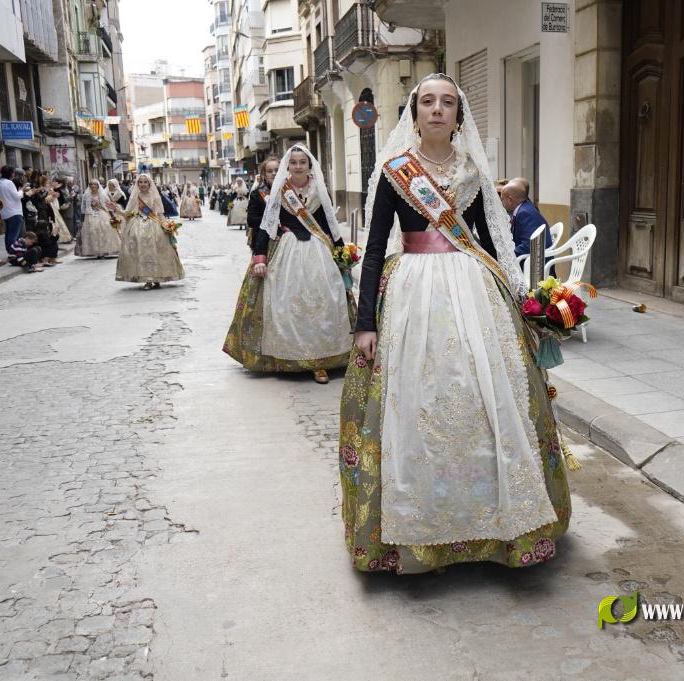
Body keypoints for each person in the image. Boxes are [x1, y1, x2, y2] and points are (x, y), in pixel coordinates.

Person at [340, 73, 572, 574]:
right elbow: (376, 248)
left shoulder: (472, 172)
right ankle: (420, 531)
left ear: (459, 114)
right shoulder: (394, 172)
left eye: (447, 102)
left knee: (486, 399)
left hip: (473, 293)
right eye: (428, 102)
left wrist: (521, 303)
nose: (438, 110)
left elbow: (492, 244)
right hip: (412, 297)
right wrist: (365, 322)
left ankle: (498, 526)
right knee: (418, 405)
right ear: (415, 113)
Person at [223, 146, 352, 383]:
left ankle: (320, 359)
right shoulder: (279, 191)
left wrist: (344, 253)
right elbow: (266, 226)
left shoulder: (319, 190)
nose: (298, 166)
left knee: (321, 304)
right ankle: (288, 358)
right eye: (293, 162)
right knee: (288, 305)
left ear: (309, 165)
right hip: (287, 252)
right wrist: (260, 257)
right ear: (288, 166)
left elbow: (330, 224)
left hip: (318, 253)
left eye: (303, 162)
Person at [116, 173, 185, 289]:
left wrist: (167, 226)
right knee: (140, 251)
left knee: (157, 251)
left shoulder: (155, 196)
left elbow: (161, 214)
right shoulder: (135, 196)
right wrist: (116, 209)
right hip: (137, 224)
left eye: (145, 182)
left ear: (149, 184)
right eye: (140, 182)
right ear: (137, 184)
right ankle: (147, 279)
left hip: (154, 224)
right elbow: (127, 212)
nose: (143, 184)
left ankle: (156, 277)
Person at [501, 178, 551, 257]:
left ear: (510, 200)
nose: (501, 202)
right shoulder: (525, 206)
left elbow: (529, 245)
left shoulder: (524, 214)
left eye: (502, 199)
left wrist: (507, 256)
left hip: (534, 264)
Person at [75, 179, 122, 258]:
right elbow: (83, 207)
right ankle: (96, 251)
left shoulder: (102, 194)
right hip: (90, 215)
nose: (93, 186)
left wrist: (112, 209)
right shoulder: (86, 195)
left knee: (105, 230)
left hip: (102, 214)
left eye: (95, 184)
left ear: (98, 186)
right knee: (93, 232)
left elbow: (107, 205)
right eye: (91, 184)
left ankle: (104, 250)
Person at [48, 179, 73, 244]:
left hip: (54, 206)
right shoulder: (49, 189)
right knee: (56, 223)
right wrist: (53, 195)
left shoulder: (53, 189)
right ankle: (57, 238)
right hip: (52, 206)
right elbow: (48, 198)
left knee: (59, 222)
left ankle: (64, 238)